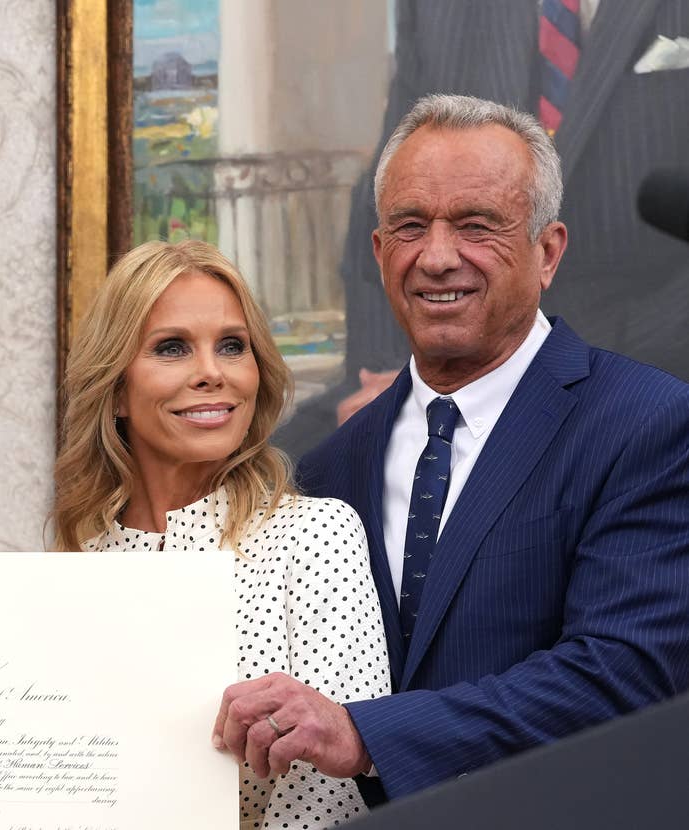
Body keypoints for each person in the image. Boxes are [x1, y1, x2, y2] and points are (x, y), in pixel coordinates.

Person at [212, 94, 689, 803]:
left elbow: (623, 671)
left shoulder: (646, 424)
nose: (437, 257)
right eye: (410, 225)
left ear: (547, 251)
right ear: (379, 253)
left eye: (476, 225)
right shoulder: (331, 466)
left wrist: (369, 734)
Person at [53, 240, 389, 829]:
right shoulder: (76, 559)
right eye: (172, 348)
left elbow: (327, 797)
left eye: (232, 346)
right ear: (115, 390)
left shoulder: (316, 535)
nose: (212, 372)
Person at [277, 0, 689, 457]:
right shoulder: (437, 11)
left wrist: (529, 374)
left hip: (639, 357)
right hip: (441, 368)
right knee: (263, 474)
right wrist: (394, 382)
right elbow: (384, 207)